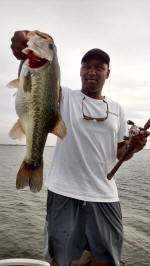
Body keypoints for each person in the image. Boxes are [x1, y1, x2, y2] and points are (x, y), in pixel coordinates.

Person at [11, 31, 149, 266]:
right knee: (59, 259)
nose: (92, 71)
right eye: (86, 66)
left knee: (106, 259)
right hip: (63, 191)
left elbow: (119, 152)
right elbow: (36, 87)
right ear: (80, 71)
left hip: (105, 195)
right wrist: (22, 49)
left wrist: (132, 147)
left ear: (108, 73)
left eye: (99, 67)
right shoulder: (64, 96)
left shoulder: (117, 108)